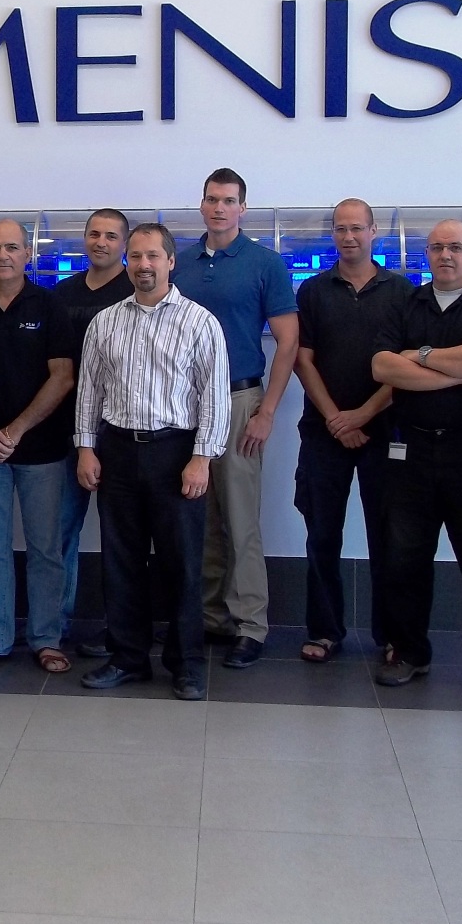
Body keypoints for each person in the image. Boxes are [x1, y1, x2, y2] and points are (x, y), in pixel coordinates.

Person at [75, 223, 230, 701]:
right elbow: (89, 391)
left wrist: (202, 458)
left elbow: (214, 397)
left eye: (153, 256)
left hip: (175, 453)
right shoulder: (105, 322)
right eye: (136, 257)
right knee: (120, 560)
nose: (144, 265)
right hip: (118, 452)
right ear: (128, 261)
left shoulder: (200, 322)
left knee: (181, 562)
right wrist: (86, 447)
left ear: (170, 261)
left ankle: (186, 665)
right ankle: (128, 658)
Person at [371, 219, 462, 703]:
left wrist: (420, 356)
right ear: (426, 255)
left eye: (456, 247)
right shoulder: (404, 303)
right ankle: (409, 653)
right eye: (437, 247)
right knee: (404, 559)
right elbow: (382, 366)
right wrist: (456, 370)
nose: (446, 255)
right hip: (409, 451)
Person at [174, 169, 298, 669]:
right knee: (199, 515)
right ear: (201, 204)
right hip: (183, 404)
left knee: (241, 518)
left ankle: (250, 624)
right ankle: (211, 616)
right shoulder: (180, 263)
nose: (219, 208)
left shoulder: (265, 263)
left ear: (243, 208)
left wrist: (267, 411)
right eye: (211, 199)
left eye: (228, 200)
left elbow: (288, 342)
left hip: (239, 399)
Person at [292, 199, 410, 662]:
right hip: (324, 433)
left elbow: (407, 367)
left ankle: (393, 635)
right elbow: (303, 360)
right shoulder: (313, 290)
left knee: (389, 536)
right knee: (321, 534)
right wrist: (336, 419)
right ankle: (325, 631)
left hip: (384, 432)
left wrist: (362, 414)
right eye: (341, 229)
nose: (349, 237)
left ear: (374, 231)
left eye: (357, 228)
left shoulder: (402, 291)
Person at [0, 219, 75, 672]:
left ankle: (46, 637)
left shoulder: (50, 305)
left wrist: (16, 430)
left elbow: (62, 377)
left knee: (46, 548)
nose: (2, 255)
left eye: (11, 247)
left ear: (28, 254)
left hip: (42, 450)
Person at [51, 208, 133, 657]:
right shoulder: (62, 294)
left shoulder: (136, 290)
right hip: (68, 432)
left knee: (123, 537)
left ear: (125, 244)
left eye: (111, 236)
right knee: (62, 531)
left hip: (122, 433)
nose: (101, 242)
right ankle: (55, 625)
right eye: (94, 234)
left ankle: (119, 629)